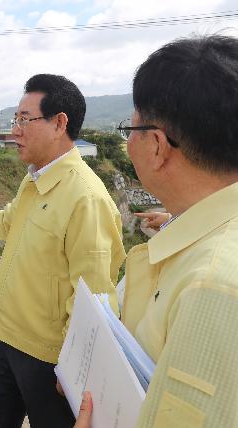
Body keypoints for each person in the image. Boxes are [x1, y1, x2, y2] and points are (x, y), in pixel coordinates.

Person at [0, 74, 125, 428]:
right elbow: (7, 222)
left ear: (59, 123)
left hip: (48, 361)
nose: (14, 131)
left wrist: (70, 369)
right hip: (7, 339)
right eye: (14, 120)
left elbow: (94, 296)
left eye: (23, 120)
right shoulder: (35, 179)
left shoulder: (86, 199)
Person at [75, 34, 238, 427]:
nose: (128, 142)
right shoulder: (200, 233)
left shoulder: (213, 285)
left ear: (159, 146)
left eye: (130, 129)